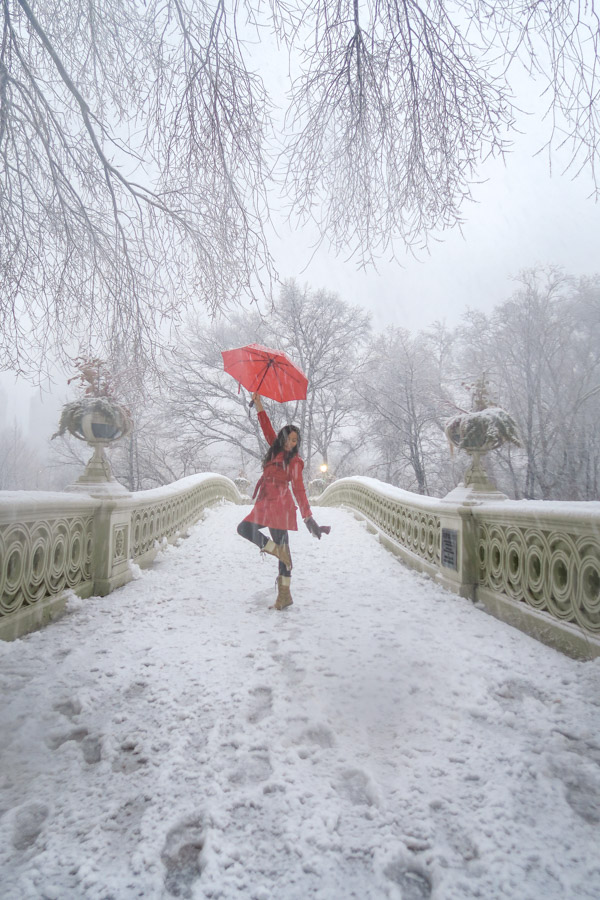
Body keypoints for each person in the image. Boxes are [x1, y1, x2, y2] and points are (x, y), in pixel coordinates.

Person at [237, 392, 329, 610]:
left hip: (281, 505)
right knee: (244, 528)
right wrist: (259, 404)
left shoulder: (295, 462)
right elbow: (266, 427)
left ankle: (284, 595)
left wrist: (308, 518)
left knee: (283, 551)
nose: (293, 443)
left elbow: (299, 490)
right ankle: (275, 550)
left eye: (296, 440)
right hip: (265, 502)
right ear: (283, 439)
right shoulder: (274, 448)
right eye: (290, 438)